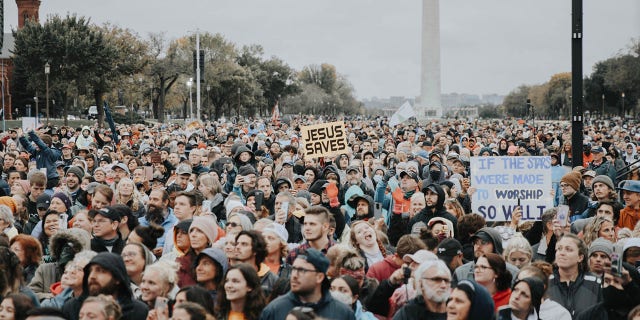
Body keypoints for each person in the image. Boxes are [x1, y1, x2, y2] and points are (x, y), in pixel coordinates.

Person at [260, 248, 356, 320]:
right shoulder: (274, 310)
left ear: (319, 277)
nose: (294, 275)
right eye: (294, 269)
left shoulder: (342, 313)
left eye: (302, 270)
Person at [61, 252, 148, 320]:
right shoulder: (71, 308)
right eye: (90, 271)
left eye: (100, 271)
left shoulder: (138, 311)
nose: (92, 276)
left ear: (117, 278)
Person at [546, 233, 601, 317]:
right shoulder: (546, 282)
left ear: (580, 257)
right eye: (559, 249)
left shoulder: (595, 283)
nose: (562, 253)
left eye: (568, 249)